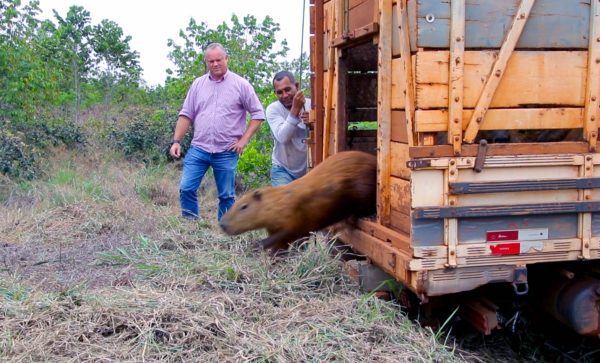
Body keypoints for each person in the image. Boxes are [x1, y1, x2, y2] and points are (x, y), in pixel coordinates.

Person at [170, 43, 265, 221]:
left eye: (218, 60)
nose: (215, 64)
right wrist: (176, 141)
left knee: (226, 195)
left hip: (227, 151)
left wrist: (243, 141)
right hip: (199, 148)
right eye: (211, 61)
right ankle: (191, 227)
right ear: (206, 62)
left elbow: (258, 114)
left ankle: (225, 230)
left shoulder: (241, 84)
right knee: (186, 187)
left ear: (226, 59)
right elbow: (186, 114)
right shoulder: (198, 84)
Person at [266, 71, 311, 186]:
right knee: (282, 204)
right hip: (283, 170)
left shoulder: (312, 105)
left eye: (288, 89)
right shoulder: (273, 109)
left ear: (296, 86)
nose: (285, 95)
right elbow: (283, 137)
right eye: (280, 92)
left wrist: (313, 123)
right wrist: (295, 110)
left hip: (310, 170)